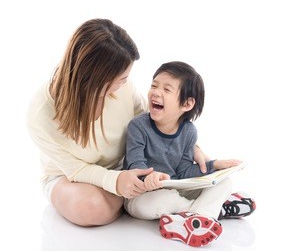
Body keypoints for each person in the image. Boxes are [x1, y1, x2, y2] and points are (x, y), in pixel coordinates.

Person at [25, 19, 210, 227]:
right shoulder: (40, 114)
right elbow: (76, 170)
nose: (125, 82)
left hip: (127, 166)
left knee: (185, 176)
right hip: (73, 177)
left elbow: (149, 121)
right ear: (96, 78)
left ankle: (149, 201)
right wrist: (115, 182)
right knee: (90, 208)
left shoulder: (122, 87)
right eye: (121, 78)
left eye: (125, 77)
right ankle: (142, 202)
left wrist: (189, 145)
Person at [123, 61, 256, 247]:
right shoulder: (138, 126)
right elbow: (134, 166)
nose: (155, 92)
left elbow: (184, 171)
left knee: (226, 182)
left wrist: (214, 166)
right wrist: (149, 177)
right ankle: (211, 213)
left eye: (166, 89)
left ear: (187, 103)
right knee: (163, 199)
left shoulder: (189, 131)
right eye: (154, 85)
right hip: (142, 196)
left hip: (176, 188)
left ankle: (192, 220)